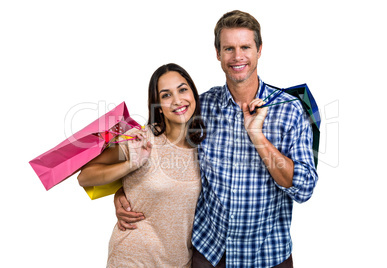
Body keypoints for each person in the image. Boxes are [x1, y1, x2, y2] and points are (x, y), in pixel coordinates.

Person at [115, 10, 318, 268]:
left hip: (268, 257)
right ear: (218, 54)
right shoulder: (201, 106)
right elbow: (161, 151)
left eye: (245, 46)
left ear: (259, 50)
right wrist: (124, 192)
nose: (237, 56)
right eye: (229, 48)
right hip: (209, 255)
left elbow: (304, 189)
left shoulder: (289, 110)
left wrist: (257, 136)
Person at [78, 63, 206, 267]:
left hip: (181, 261)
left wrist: (121, 191)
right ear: (158, 106)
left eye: (182, 89)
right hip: (134, 258)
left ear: (193, 94)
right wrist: (130, 165)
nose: (177, 100)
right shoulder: (142, 139)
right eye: (166, 95)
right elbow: (85, 176)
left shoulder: (205, 146)